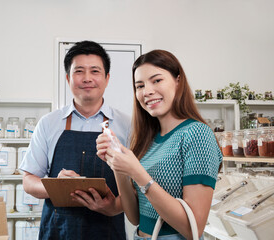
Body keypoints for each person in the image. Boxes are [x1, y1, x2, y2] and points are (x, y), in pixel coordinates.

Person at [96, 49, 222, 240]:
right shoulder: (148, 139)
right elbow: (135, 217)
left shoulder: (197, 134)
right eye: (139, 86)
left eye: (157, 80)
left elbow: (193, 228)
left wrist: (138, 173)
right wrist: (118, 167)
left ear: (178, 81)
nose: (147, 91)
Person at [20, 40, 131, 240]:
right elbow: (28, 181)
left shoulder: (127, 125)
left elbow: (136, 186)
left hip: (107, 230)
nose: (87, 78)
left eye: (95, 71)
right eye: (79, 71)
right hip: (58, 231)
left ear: (107, 78)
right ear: (68, 78)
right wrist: (55, 185)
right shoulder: (49, 123)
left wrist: (113, 207)